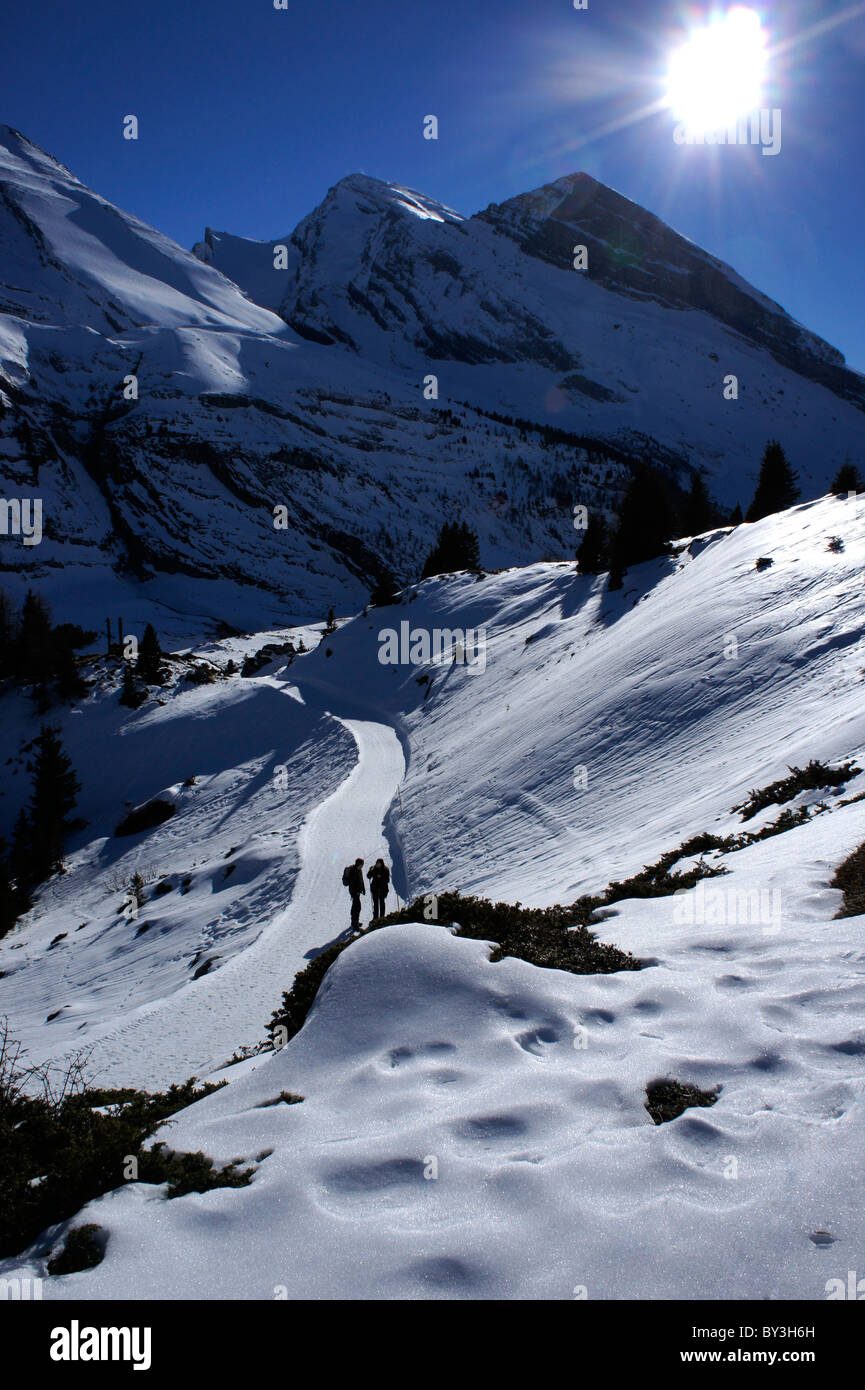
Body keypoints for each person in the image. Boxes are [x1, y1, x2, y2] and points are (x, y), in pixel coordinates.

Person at [343, 857, 365, 929]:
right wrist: (357, 891)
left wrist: (363, 889)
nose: (362, 866)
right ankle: (354, 922)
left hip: (357, 892)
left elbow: (361, 880)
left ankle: (355, 921)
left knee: (356, 906)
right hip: (354, 892)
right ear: (359, 864)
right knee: (357, 907)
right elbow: (353, 883)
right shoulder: (353, 871)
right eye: (362, 864)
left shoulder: (359, 870)